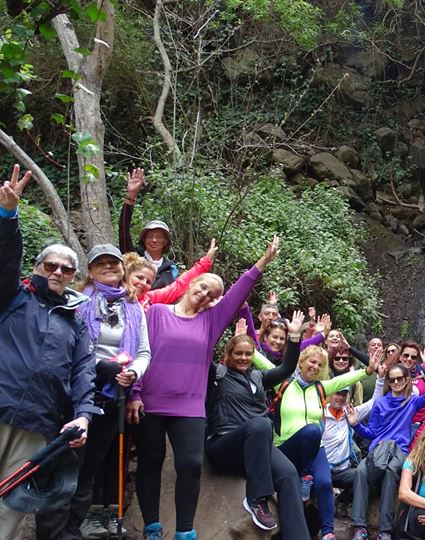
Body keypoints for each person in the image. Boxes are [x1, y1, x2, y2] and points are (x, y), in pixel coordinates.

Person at [129, 235, 280, 540]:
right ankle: (152, 527)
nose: (204, 294)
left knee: (191, 465)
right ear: (190, 284)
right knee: (150, 463)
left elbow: (239, 292)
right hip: (151, 402)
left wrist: (263, 262)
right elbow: (140, 352)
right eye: (202, 286)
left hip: (189, 406)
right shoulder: (156, 313)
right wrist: (135, 394)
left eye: (211, 294)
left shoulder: (210, 323)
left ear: (214, 301)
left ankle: (185, 531)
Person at [0, 165, 96, 540]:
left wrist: (85, 416)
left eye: (66, 268)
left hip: (37, 425)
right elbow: (5, 260)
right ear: (37, 267)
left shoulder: (75, 323)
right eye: (50, 265)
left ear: (74, 276)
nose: (57, 271)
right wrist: (8, 215)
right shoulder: (12, 297)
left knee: (9, 507)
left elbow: (83, 375)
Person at [37, 244, 152, 539]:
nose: (108, 267)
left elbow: (143, 351)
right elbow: (72, 344)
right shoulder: (78, 301)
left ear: (122, 267)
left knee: (91, 467)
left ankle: (74, 530)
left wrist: (133, 373)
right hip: (76, 394)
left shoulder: (132, 306)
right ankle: (53, 531)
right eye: (100, 263)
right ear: (89, 270)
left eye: (113, 262)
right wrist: (101, 366)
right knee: (66, 466)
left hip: (113, 396)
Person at [204, 311, 309, 537]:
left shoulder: (257, 377)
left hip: (257, 449)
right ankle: (257, 500)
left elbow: (286, 369)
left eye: (248, 354)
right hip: (224, 446)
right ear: (228, 355)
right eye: (238, 354)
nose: (243, 358)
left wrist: (294, 337)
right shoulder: (217, 374)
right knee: (261, 424)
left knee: (289, 473)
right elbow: (201, 352)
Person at [272, 345, 383, 540]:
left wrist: (368, 371)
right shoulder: (283, 382)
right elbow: (258, 360)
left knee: (324, 483)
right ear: (301, 361)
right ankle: (306, 476)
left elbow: (343, 379)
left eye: (320, 364)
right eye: (312, 361)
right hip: (285, 445)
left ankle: (328, 532)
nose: (315, 366)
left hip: (314, 446)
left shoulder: (321, 388)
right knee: (313, 430)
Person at [347, 351, 425, 540]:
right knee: (361, 472)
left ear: (406, 380)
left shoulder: (411, 402)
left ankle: (385, 530)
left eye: (399, 379)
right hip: (378, 448)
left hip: (399, 450)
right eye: (392, 380)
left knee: (390, 473)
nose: (396, 383)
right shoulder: (380, 403)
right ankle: (359, 527)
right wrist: (356, 424)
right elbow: (371, 433)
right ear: (388, 382)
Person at [118, 168, 179, 289]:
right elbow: (123, 229)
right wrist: (131, 197)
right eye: (150, 236)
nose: (154, 240)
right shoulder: (133, 257)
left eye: (159, 237)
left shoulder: (171, 268)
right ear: (144, 240)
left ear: (165, 242)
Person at [124, 239, 217, 311]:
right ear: (127, 275)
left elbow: (178, 286)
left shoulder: (149, 299)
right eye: (139, 277)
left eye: (148, 282)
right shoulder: (113, 295)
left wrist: (205, 262)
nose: (143, 283)